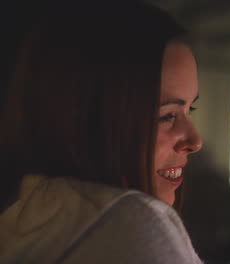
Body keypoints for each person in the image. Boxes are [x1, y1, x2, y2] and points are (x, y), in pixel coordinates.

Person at [0, 0, 203, 263]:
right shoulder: (130, 226)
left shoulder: (30, 219)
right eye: (166, 116)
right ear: (88, 119)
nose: (195, 141)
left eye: (190, 110)